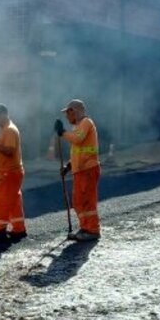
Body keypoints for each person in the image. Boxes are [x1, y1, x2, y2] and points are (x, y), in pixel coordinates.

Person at [54, 99, 100, 242]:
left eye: (68, 113)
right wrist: (69, 166)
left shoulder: (86, 122)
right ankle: (85, 228)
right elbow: (78, 150)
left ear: (74, 112)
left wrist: (62, 132)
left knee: (87, 201)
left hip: (88, 169)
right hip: (81, 170)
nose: (67, 117)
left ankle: (93, 230)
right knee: (79, 201)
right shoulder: (79, 126)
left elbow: (78, 140)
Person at [0, 103, 26, 241]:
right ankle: (19, 229)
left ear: (2, 115)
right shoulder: (6, 129)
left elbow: (9, 151)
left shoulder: (9, 130)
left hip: (9, 173)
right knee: (14, 201)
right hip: (10, 172)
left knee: (1, 201)